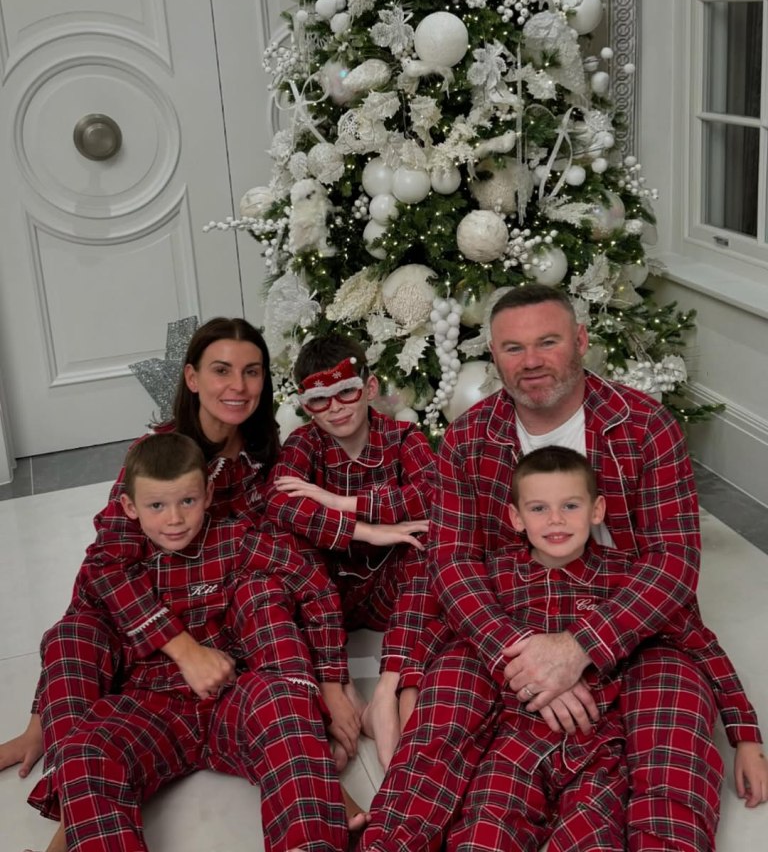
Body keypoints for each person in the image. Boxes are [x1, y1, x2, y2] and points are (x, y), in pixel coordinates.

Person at [362, 283, 749, 852]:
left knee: (672, 740)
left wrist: (578, 649)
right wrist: (516, 654)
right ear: (493, 357)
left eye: (548, 341)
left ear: (582, 341)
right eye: (513, 348)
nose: (532, 361)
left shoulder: (644, 426)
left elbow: (673, 562)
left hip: (631, 623)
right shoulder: (469, 439)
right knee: (441, 723)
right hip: (510, 619)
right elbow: (452, 561)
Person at [3, 318, 358, 850]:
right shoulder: (156, 459)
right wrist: (46, 711)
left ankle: (308, 771)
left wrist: (330, 679)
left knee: (265, 595)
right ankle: (80, 803)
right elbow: (100, 572)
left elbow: (299, 563)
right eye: (221, 371)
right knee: (74, 634)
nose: (238, 386)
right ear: (192, 378)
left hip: (242, 613)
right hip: (163, 629)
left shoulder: (265, 450)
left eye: (251, 371)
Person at [436, 446, 766, 852]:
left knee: (594, 837)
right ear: (516, 519)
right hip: (517, 739)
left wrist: (746, 737)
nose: (556, 520)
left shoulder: (626, 577)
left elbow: (700, 644)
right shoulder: (498, 576)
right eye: (539, 509)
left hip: (601, 747)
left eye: (570, 505)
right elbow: (455, 630)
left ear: (597, 511)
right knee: (483, 832)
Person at [265, 333, 437, 769]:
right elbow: (279, 503)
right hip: (326, 595)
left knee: (429, 540)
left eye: (347, 391)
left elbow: (433, 492)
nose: (337, 407)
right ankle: (334, 683)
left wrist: (339, 502)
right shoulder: (305, 444)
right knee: (286, 546)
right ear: (306, 406)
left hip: (388, 591)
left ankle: (388, 690)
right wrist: (367, 531)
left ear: (370, 387)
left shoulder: (403, 437)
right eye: (321, 400)